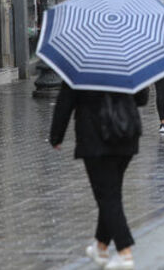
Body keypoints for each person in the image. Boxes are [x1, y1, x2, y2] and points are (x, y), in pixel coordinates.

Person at [49, 83, 149, 270]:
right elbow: (142, 98)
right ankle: (100, 246)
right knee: (111, 193)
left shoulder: (81, 69)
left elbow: (66, 100)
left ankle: (124, 251)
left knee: (108, 196)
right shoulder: (125, 64)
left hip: (96, 137)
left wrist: (56, 136)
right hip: (126, 133)